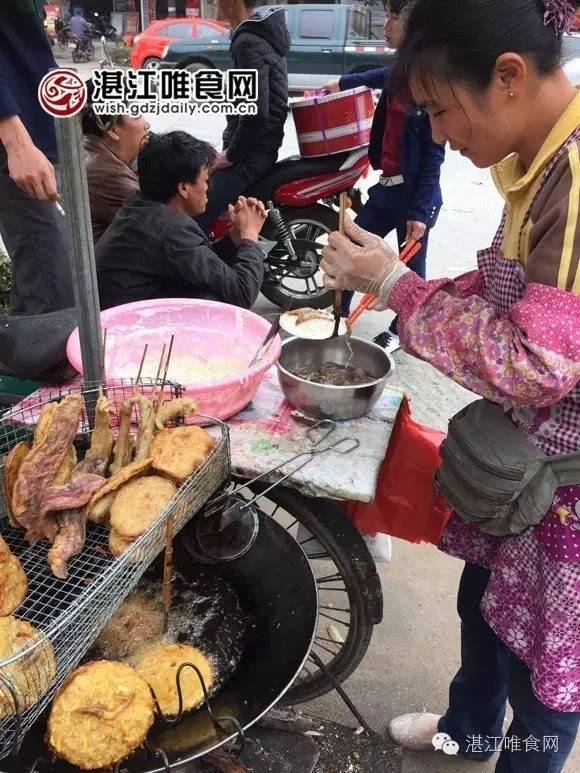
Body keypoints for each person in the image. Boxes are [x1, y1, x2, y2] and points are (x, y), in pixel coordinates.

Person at [321, 0, 580, 770]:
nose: (436, 134)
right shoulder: (538, 157)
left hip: (565, 480)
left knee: (547, 672)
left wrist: (402, 289)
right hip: (526, 460)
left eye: (439, 110)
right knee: (484, 600)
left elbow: (539, 363)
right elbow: (520, 293)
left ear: (506, 78)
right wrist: (404, 277)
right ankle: (467, 730)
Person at [324, 0, 444, 354]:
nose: (384, 26)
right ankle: (337, 314)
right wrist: (343, 82)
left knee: (410, 266)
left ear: (413, 26)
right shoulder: (402, 71)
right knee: (349, 245)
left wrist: (420, 212)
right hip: (387, 188)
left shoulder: (426, 81)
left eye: (392, 18)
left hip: (414, 197)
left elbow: (433, 157)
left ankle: (400, 329)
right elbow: (380, 76)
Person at [96, 131, 267, 310]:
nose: (209, 189)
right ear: (184, 187)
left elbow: (202, 264)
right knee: (215, 304)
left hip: (124, 312)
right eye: (206, 180)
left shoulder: (141, 207)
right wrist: (250, 235)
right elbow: (242, 294)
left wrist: (234, 237)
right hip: (126, 327)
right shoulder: (170, 230)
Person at [0, 0, 73, 315]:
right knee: (56, 292)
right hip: (15, 143)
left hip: (34, 134)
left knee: (38, 274)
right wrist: (16, 144)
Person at [196, 0, 290, 234]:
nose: (213, 3)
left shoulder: (247, 42)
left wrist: (233, 154)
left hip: (250, 155)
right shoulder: (258, 35)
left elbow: (255, 112)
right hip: (259, 149)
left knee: (196, 213)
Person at [81, 80, 149, 244]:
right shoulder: (111, 175)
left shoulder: (90, 150)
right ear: (112, 130)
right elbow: (161, 230)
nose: (147, 124)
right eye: (136, 114)